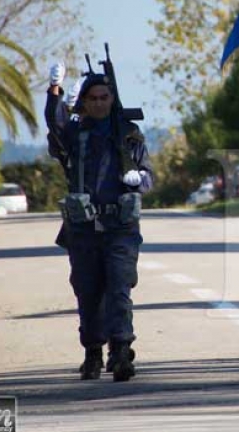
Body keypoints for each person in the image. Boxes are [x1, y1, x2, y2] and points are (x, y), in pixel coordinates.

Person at [45, 61, 154, 382]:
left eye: (104, 97)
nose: (98, 102)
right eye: (92, 98)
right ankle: (92, 352)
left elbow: (149, 179)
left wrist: (138, 177)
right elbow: (55, 121)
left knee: (119, 288)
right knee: (88, 290)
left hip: (121, 227)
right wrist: (55, 90)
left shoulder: (129, 134)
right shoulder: (75, 134)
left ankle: (121, 351)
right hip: (83, 228)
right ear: (84, 102)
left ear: (112, 99)